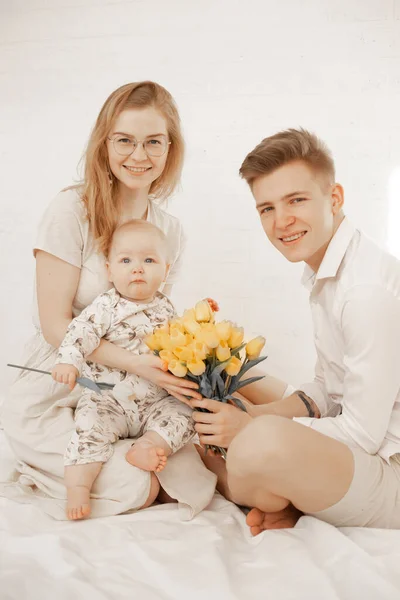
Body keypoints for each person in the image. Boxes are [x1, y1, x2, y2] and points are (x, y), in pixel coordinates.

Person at [1, 81, 216, 520]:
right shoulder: (71, 210)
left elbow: (150, 320)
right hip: (62, 377)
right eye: (125, 140)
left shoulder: (169, 231)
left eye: (153, 142)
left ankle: (139, 458)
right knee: (134, 481)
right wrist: (136, 363)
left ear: (170, 148)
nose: (139, 156)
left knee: (182, 443)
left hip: (133, 390)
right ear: (105, 143)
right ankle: (82, 466)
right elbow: (55, 325)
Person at [191, 128, 400, 534]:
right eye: (266, 208)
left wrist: (250, 428)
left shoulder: (365, 291)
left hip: (390, 471)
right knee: (239, 378)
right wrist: (252, 413)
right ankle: (283, 494)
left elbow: (362, 433)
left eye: (296, 200)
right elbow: (327, 387)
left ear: (334, 198)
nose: (281, 221)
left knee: (255, 444)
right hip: (356, 443)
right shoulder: (327, 268)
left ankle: (266, 489)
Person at [52, 219, 197, 520]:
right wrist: (68, 360)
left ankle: (148, 445)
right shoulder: (106, 305)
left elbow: (180, 344)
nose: (138, 268)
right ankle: (78, 486)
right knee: (89, 425)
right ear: (109, 270)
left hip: (155, 401)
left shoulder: (166, 308)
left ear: (166, 270)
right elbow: (80, 332)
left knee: (183, 416)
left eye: (149, 260)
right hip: (110, 398)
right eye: (126, 260)